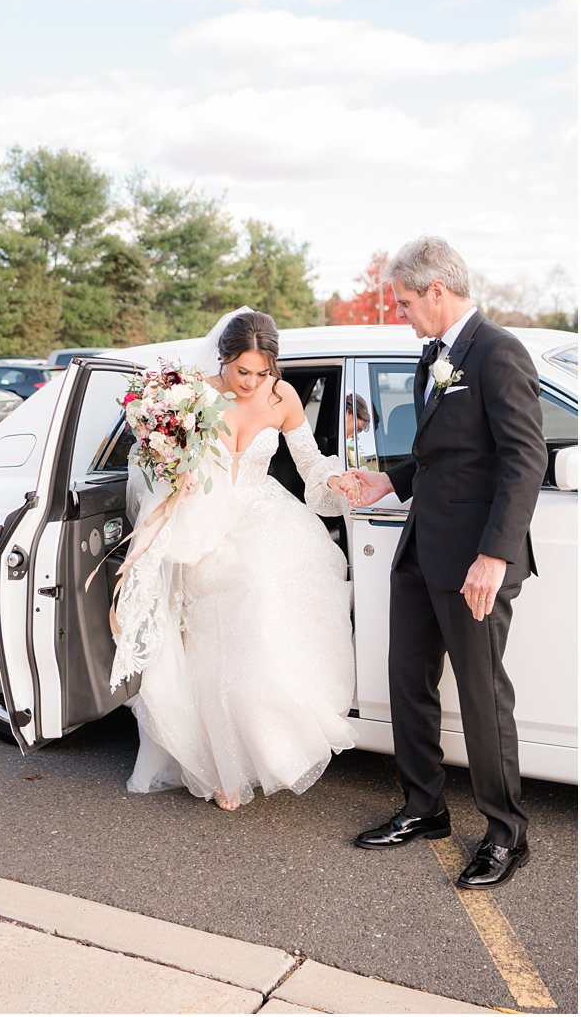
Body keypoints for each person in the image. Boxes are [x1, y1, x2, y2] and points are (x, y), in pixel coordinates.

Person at [346, 236, 545, 889]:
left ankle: (506, 835)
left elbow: (523, 458)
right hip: (419, 552)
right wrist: (388, 481)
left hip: (473, 562)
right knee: (407, 677)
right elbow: (444, 455)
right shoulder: (433, 356)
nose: (401, 313)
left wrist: (494, 555)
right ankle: (424, 808)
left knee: (484, 699)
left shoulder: (498, 352)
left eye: (405, 302)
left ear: (437, 291)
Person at [119, 307, 360, 811]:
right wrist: (173, 477)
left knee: (263, 608)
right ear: (223, 359)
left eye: (263, 371)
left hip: (262, 514)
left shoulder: (283, 397)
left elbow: (309, 464)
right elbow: (157, 464)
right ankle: (218, 766)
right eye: (242, 371)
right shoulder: (188, 396)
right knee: (208, 644)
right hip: (201, 521)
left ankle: (262, 750)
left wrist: (333, 480)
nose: (252, 382)